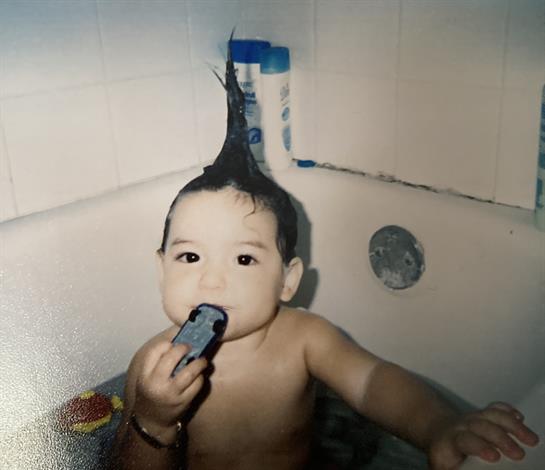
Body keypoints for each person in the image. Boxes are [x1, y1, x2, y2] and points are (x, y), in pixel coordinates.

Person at [108, 39, 539, 470]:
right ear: (161, 268)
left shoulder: (304, 340)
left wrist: (439, 426)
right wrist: (153, 422)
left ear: (288, 280)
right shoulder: (151, 368)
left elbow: (374, 382)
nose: (212, 281)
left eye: (243, 259)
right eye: (189, 258)